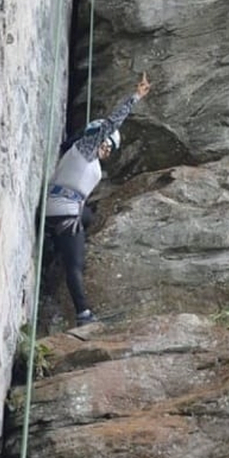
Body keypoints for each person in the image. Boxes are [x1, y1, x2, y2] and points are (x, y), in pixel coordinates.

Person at [45, 71, 152, 326]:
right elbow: (110, 124)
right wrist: (135, 97)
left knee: (89, 215)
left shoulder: (78, 153)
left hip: (59, 208)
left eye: (110, 149)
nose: (107, 150)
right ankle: (84, 314)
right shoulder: (85, 150)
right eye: (106, 145)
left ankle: (53, 245)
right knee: (75, 264)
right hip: (64, 213)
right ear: (96, 140)